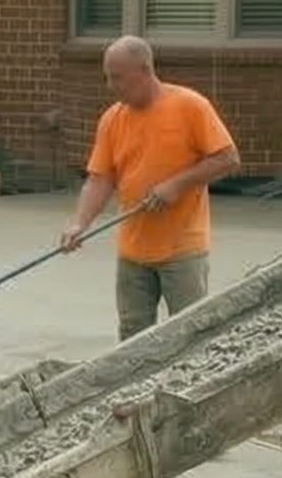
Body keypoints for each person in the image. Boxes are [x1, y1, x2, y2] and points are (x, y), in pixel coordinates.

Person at [58, 35, 242, 342]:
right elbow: (100, 179)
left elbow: (228, 159)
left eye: (117, 78)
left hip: (182, 250)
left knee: (189, 334)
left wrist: (177, 184)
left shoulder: (190, 106)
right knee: (132, 336)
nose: (110, 86)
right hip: (133, 251)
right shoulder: (112, 119)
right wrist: (81, 223)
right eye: (107, 77)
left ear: (144, 70)